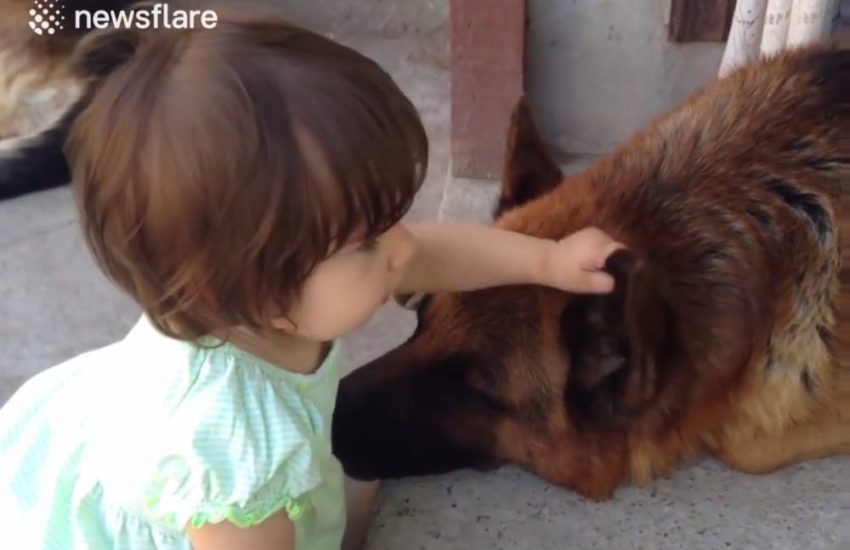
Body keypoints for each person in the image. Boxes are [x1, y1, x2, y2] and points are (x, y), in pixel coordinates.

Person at [0, 5, 623, 550]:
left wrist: (544, 261)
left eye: (389, 219)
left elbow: (429, 253)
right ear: (253, 290)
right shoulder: (235, 457)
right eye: (366, 240)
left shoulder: (267, 301)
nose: (401, 247)